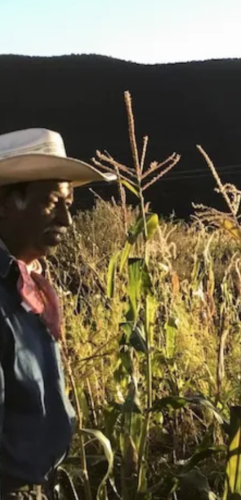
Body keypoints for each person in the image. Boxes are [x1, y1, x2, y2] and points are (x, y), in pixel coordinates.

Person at [0, 129, 115, 500]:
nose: (68, 220)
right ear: (4, 204)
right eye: (52, 202)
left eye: (69, 203)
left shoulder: (24, 285)